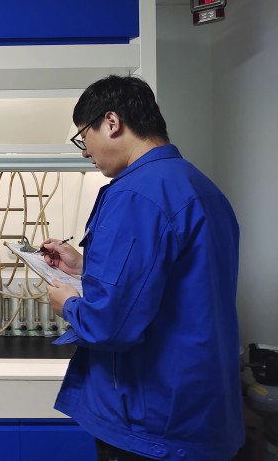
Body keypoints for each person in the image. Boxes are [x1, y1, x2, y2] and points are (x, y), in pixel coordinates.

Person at [40, 75, 243, 461]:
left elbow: (110, 325)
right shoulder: (201, 188)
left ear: (111, 122)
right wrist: (85, 267)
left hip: (150, 422)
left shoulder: (136, 193)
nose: (86, 153)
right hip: (202, 411)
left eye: (84, 138)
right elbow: (178, 281)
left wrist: (67, 304)